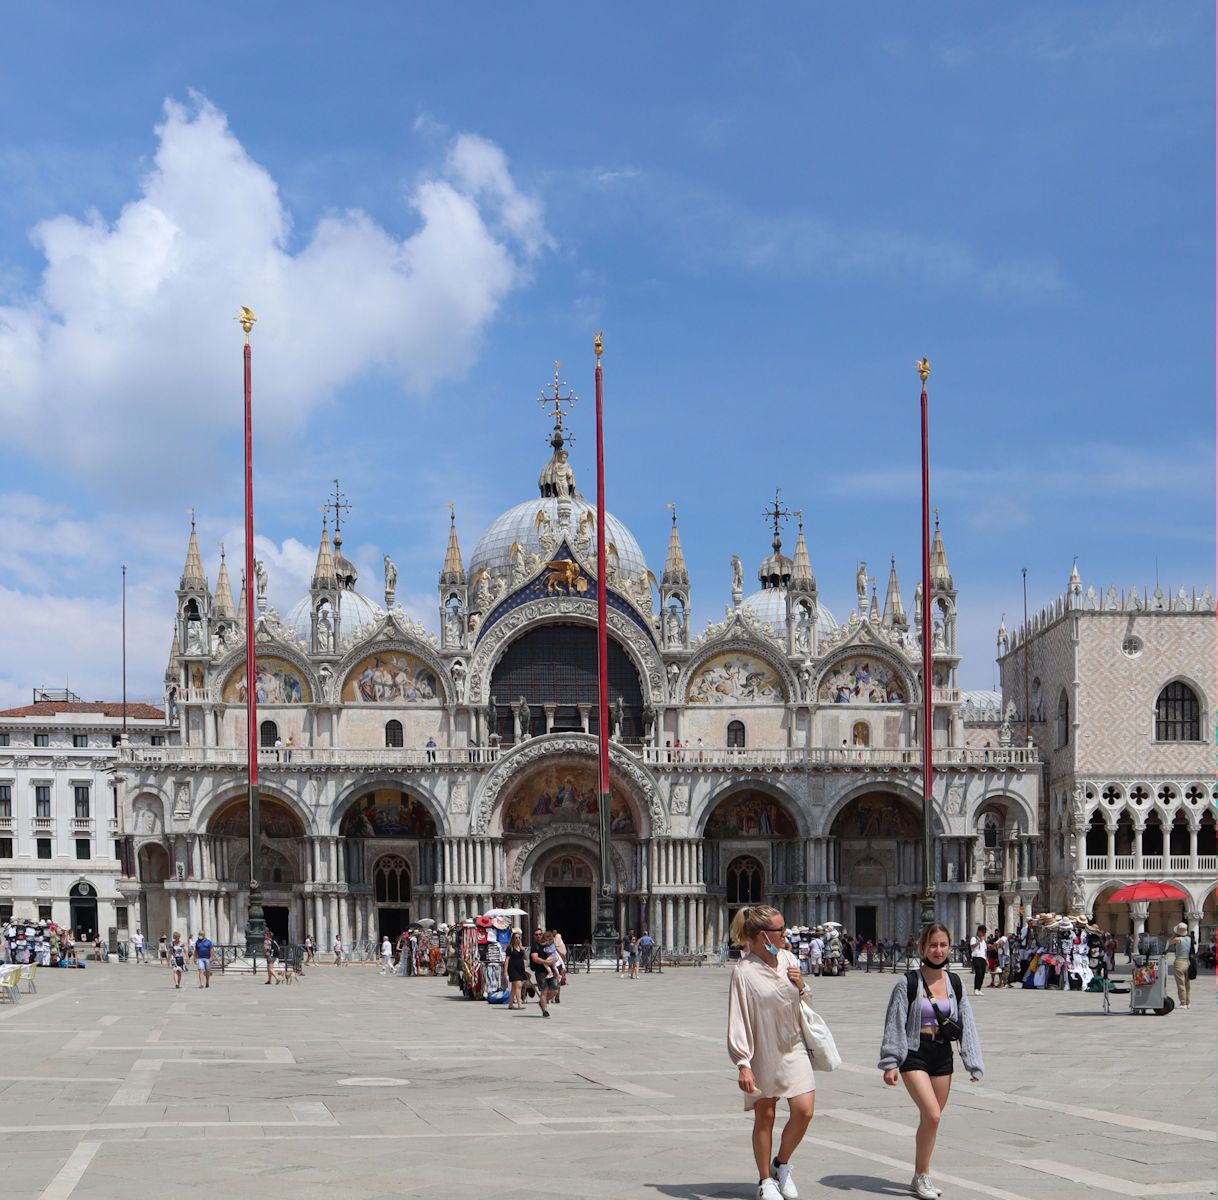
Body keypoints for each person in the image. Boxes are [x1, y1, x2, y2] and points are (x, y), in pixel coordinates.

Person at [879, 923, 984, 1200]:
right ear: (922, 947)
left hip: (942, 1054)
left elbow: (966, 1022)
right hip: (915, 1052)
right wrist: (891, 1062)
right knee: (933, 1114)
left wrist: (972, 1061)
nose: (938, 950)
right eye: (933, 945)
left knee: (932, 1120)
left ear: (950, 947)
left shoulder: (955, 983)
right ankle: (923, 1175)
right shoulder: (907, 983)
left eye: (943, 945)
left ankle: (920, 1174)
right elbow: (895, 1023)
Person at [726, 905, 815, 1200]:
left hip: (793, 1045)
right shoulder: (743, 972)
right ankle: (765, 1180)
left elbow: (807, 1001)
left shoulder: (789, 958)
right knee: (766, 1116)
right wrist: (743, 1063)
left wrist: (801, 984)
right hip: (763, 1048)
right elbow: (738, 1018)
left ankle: (781, 1164)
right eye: (780, 930)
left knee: (804, 1110)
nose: (785, 934)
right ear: (764, 935)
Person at [530, 931, 559, 1016]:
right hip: (540, 971)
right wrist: (545, 962)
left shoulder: (548, 944)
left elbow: (554, 953)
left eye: (540, 934)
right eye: (536, 935)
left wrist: (554, 961)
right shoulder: (535, 947)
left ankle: (542, 1002)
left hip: (550, 970)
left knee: (555, 990)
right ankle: (545, 1011)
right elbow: (535, 958)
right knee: (544, 991)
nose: (538, 936)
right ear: (534, 936)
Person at [1167, 922, 1193, 1009]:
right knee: (1187, 984)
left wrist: (1174, 935)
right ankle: (1188, 1002)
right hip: (1187, 962)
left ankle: (1183, 1003)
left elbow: (1168, 943)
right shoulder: (1189, 939)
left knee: (1180, 984)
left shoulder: (1177, 939)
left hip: (1179, 962)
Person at [506, 930, 529, 1009]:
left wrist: (523, 950)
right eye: (516, 938)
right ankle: (519, 1003)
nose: (518, 939)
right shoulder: (510, 948)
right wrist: (505, 971)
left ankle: (510, 1004)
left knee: (514, 987)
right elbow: (507, 960)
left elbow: (525, 958)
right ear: (513, 939)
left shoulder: (521, 948)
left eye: (519, 938)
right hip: (512, 969)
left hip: (520, 969)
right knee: (519, 985)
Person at [969, 924, 988, 995]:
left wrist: (987, 960)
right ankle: (976, 988)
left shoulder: (983, 941)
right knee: (978, 973)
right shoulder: (974, 938)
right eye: (982, 932)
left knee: (982, 974)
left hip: (982, 958)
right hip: (976, 957)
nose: (983, 934)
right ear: (979, 932)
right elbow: (972, 946)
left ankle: (979, 988)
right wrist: (978, 941)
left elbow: (984, 951)